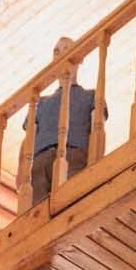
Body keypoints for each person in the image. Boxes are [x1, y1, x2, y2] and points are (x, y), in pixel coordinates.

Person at [27, 37, 94, 204]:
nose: (61, 55)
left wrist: (95, 168)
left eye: (66, 49)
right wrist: (22, 173)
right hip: (39, 164)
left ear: (80, 58)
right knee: (38, 220)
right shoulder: (40, 103)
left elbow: (96, 131)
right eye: (56, 52)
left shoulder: (90, 96)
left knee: (70, 208)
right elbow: (28, 140)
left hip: (74, 158)